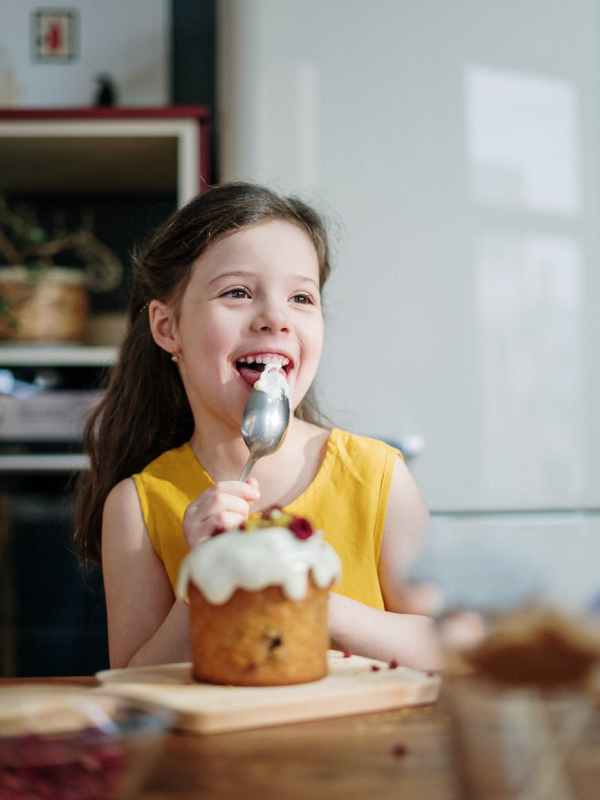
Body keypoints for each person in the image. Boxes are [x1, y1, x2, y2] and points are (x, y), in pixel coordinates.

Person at [74, 182, 450, 671]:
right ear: (168, 328)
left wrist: (306, 599)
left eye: (301, 297)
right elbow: (132, 684)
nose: (276, 318)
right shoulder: (139, 505)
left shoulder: (377, 476)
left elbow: (449, 647)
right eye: (237, 292)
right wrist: (206, 581)